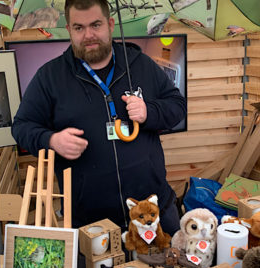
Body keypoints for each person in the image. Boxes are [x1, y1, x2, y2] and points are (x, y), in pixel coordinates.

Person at [11, 0, 186, 236]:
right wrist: (52, 140)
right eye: (79, 28)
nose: (88, 35)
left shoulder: (140, 64)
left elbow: (177, 106)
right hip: (91, 225)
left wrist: (149, 112)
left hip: (155, 213)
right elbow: (21, 127)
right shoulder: (50, 77)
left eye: (95, 25)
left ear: (111, 24)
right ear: (70, 30)